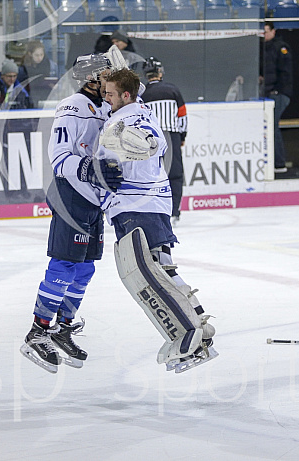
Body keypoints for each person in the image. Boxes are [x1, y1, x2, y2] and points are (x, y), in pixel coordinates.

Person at [98, 68, 217, 373]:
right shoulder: (144, 113)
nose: (105, 96)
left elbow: (140, 149)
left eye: (110, 92)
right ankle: (199, 325)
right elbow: (159, 146)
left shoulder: (123, 121)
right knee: (162, 267)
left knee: (150, 275)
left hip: (137, 204)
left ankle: (188, 334)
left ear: (126, 95)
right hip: (152, 202)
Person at [20, 53, 123, 373]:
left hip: (94, 200)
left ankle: (63, 327)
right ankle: (38, 332)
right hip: (71, 196)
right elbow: (59, 156)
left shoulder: (107, 107)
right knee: (64, 264)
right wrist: (91, 170)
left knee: (85, 269)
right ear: (92, 78)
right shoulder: (72, 106)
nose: (112, 77)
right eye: (108, 73)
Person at [140, 56, 188, 223]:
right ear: (160, 72)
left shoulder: (141, 94)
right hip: (171, 136)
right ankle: (174, 211)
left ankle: (154, 209)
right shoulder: (172, 90)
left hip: (149, 139)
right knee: (174, 174)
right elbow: (182, 116)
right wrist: (182, 137)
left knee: (152, 175)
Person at [259, 21, 293, 174]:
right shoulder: (260, 48)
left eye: (266, 31)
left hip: (279, 94)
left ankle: (279, 163)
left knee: (272, 125)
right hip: (266, 93)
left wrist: (277, 90)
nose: (264, 35)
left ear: (273, 31)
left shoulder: (281, 48)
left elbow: (285, 73)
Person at [18, 40, 59, 108]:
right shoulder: (24, 68)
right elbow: (20, 86)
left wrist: (55, 87)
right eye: (36, 55)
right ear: (30, 54)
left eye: (41, 55)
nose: (39, 58)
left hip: (47, 99)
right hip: (29, 100)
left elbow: (58, 82)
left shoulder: (51, 66)